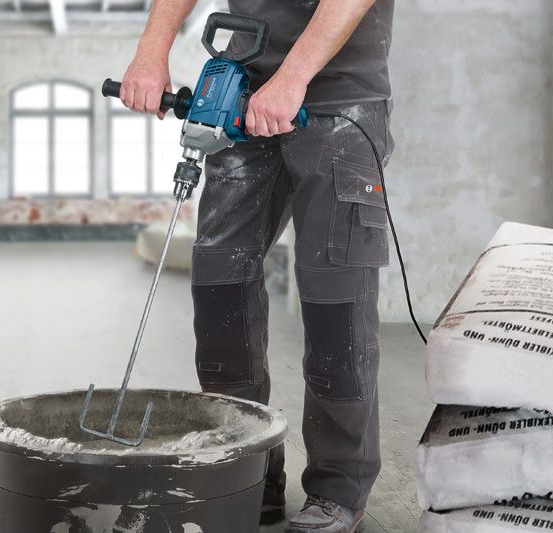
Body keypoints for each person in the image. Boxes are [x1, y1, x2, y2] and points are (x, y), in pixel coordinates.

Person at [120, 1, 394, 531]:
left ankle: (339, 489)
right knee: (220, 282)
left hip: (340, 100)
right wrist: (150, 53)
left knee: (334, 298)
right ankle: (247, 471)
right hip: (243, 93)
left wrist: (292, 77)